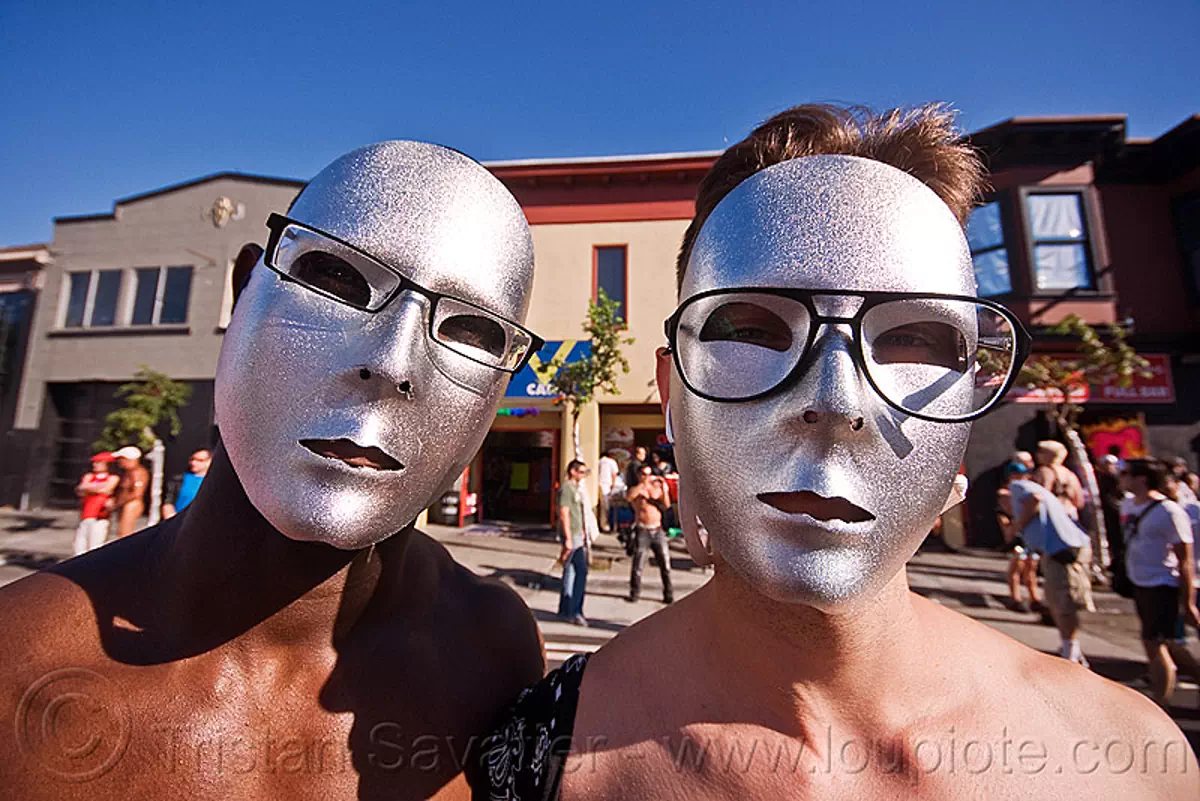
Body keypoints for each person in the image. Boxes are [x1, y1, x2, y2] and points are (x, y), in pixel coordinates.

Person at [474, 104, 1197, 799]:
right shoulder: (540, 752)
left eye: (912, 338)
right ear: (673, 394)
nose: (838, 401)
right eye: (752, 329)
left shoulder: (1124, 758)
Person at [0, 141, 546, 800]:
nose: (395, 362)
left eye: (472, 330)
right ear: (244, 289)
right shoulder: (20, 661)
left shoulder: (492, 651)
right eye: (339, 279)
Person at [1122, 458, 1200, 706]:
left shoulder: (1169, 511)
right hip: (1140, 583)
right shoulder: (1128, 504)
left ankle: (1160, 704)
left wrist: (1188, 603)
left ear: (1142, 479)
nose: (1120, 477)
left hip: (1162, 584)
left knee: (1154, 644)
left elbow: (1185, 559)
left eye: (1126, 473)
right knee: (1165, 644)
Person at [1005, 463, 1095, 666]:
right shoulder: (1037, 488)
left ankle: (1071, 652)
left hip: (1063, 548)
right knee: (1059, 600)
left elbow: (1034, 501)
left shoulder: (1020, 486)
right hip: (1062, 547)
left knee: (1063, 601)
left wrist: (1017, 527)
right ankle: (1070, 648)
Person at [996, 455, 1041, 613]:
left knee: (1031, 567)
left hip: (1026, 532)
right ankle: (1015, 597)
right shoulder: (1006, 493)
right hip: (1017, 532)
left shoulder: (1024, 489)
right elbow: (1006, 513)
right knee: (1018, 565)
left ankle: (1034, 596)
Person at [625, 464, 674, 604]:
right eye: (644, 474)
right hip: (643, 530)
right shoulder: (636, 490)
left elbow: (667, 505)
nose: (647, 477)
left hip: (657, 530)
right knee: (638, 564)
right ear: (639, 475)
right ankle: (635, 592)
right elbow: (629, 497)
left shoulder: (656, 489)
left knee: (665, 564)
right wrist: (642, 486)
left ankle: (668, 593)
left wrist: (664, 490)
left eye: (649, 474)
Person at [557, 459, 593, 626]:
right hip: (573, 535)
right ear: (572, 471)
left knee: (570, 572)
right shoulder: (567, 488)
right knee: (581, 572)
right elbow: (564, 513)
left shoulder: (576, 489)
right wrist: (569, 538)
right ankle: (576, 610)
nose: (583, 475)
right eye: (580, 472)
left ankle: (566, 609)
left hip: (578, 533)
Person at [73, 452, 118, 555]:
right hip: (86, 512)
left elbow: (108, 488)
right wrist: (98, 488)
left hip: (100, 514)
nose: (95, 465)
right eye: (95, 463)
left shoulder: (113, 478)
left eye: (99, 463)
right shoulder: (89, 476)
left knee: (96, 543)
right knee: (80, 542)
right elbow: (81, 488)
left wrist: (90, 488)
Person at [1033, 439, 1084, 520]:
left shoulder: (1044, 471)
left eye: (1041, 451)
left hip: (1053, 516)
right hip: (1071, 514)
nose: (1036, 454)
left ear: (1050, 454)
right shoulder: (1069, 474)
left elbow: (1042, 494)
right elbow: (1079, 501)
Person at [162, 448, 212, 518]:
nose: (193, 463)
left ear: (209, 461)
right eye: (192, 459)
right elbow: (168, 502)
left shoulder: (214, 482)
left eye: (199, 460)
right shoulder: (178, 480)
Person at [111, 445, 149, 538]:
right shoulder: (128, 473)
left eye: (122, 459)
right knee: (121, 531)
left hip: (132, 504)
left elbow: (137, 493)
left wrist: (118, 503)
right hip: (126, 503)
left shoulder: (138, 473)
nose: (120, 462)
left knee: (125, 532)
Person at [595, 450, 619, 533]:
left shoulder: (598, 461)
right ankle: (605, 525)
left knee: (600, 506)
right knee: (606, 507)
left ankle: (599, 524)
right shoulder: (612, 462)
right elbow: (614, 474)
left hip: (597, 485)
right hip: (607, 486)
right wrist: (613, 484)